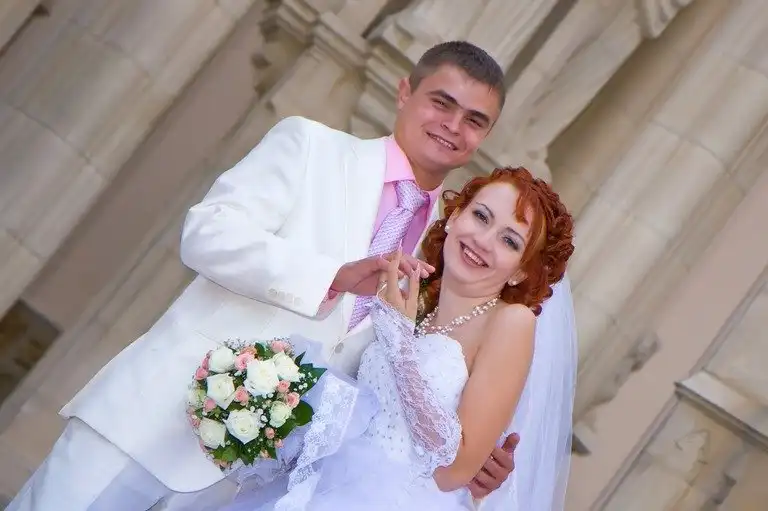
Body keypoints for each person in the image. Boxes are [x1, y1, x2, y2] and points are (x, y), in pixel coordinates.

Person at [7, 41, 540, 511]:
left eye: (474, 120)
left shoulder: (448, 249)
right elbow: (207, 233)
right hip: (156, 420)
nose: (453, 125)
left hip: (250, 482)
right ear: (405, 92)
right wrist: (332, 276)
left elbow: (392, 380)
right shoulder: (311, 147)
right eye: (441, 102)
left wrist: (468, 459)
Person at [223, 166, 576, 511]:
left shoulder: (512, 322)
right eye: (481, 217)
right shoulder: (416, 299)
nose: (483, 241)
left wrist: (400, 347)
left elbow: (453, 471)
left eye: (509, 240)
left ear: (521, 271)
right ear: (454, 218)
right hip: (324, 483)